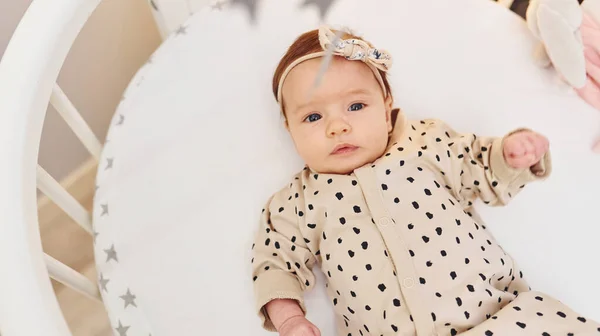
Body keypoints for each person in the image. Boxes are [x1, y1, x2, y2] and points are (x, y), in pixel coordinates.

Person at [250, 25, 599, 336]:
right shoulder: (296, 202)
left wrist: (508, 154)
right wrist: (290, 320)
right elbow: (274, 263)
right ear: (289, 130)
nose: (337, 126)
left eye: (356, 106)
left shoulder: (425, 144)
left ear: (387, 108)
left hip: (499, 319)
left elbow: (477, 164)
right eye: (313, 116)